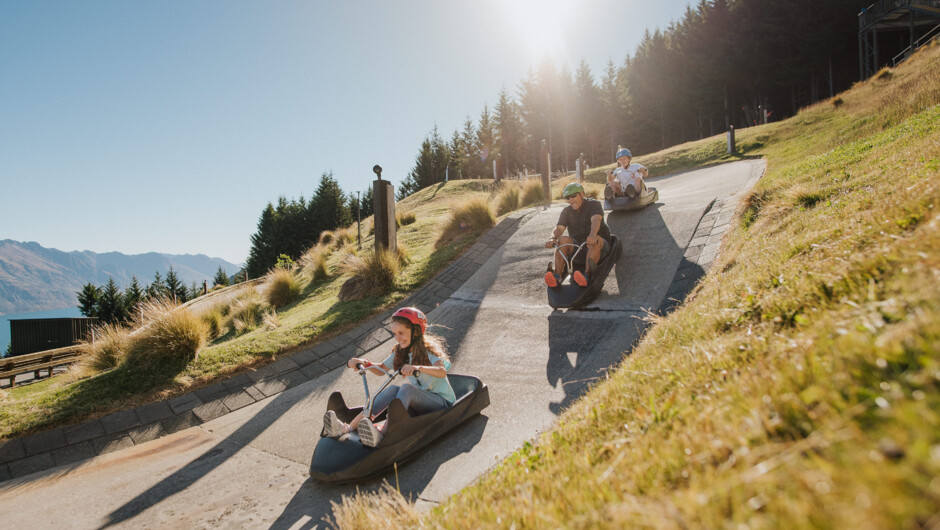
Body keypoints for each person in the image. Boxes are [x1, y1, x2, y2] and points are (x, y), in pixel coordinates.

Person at [321, 306, 456, 448]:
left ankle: (381, 435)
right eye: (395, 334)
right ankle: (346, 428)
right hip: (419, 401)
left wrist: (417, 367)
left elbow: (441, 371)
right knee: (392, 390)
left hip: (441, 402)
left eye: (401, 333)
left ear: (416, 331)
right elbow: (381, 369)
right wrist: (364, 363)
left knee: (407, 389)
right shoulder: (400, 351)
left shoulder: (428, 351)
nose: (398, 338)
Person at [544, 182, 611, 288]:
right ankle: (557, 276)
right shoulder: (567, 211)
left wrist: (593, 234)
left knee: (595, 240)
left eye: (573, 196)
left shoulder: (593, 204)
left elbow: (596, 220)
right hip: (579, 249)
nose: (571, 200)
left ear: (582, 194)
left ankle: (586, 275)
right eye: (567, 197)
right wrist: (552, 238)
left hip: (599, 246)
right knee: (562, 240)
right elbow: (559, 228)